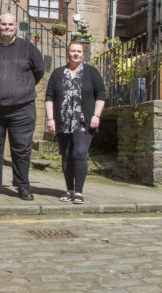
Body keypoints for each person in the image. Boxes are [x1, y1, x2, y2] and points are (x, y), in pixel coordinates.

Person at [0, 13, 44, 201]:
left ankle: (22, 186)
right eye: (3, 24)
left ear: (16, 26)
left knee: (21, 149)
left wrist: (20, 88)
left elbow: (38, 72)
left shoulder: (29, 48)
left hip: (22, 108)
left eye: (10, 24)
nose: (7, 27)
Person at [45, 40, 105, 204]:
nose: (76, 54)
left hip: (84, 121)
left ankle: (79, 191)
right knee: (66, 155)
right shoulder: (57, 73)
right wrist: (50, 119)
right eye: (73, 51)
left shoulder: (91, 72)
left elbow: (101, 94)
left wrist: (96, 115)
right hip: (63, 121)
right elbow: (49, 96)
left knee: (79, 153)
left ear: (83, 54)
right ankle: (69, 189)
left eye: (79, 51)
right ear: (68, 52)